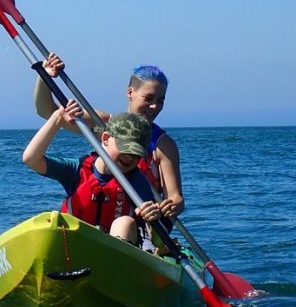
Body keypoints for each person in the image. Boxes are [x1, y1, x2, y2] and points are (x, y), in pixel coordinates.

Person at [33, 54, 185, 219]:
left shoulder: (163, 145)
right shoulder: (103, 124)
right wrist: (45, 76)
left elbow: (175, 197)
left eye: (160, 100)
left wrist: (173, 205)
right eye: (148, 99)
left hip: (138, 222)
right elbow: (47, 111)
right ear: (130, 92)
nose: (155, 106)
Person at [22, 100, 163, 246]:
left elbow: (158, 242)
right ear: (106, 139)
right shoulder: (77, 170)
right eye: (125, 149)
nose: (130, 157)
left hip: (113, 254)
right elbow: (31, 159)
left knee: (125, 223)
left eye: (136, 153)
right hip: (73, 248)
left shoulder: (136, 180)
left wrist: (153, 219)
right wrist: (58, 118)